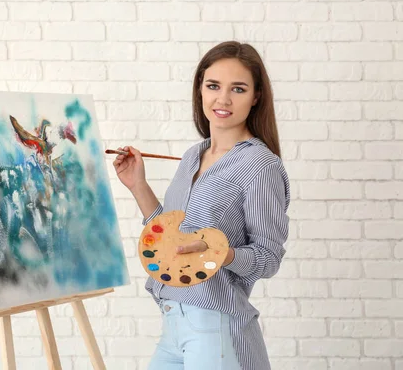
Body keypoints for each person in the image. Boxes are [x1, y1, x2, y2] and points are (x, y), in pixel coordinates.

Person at [113, 41, 291, 370]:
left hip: (214, 325)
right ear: (200, 90)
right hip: (173, 323)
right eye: (213, 86)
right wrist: (138, 185)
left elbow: (268, 258)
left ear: (256, 97)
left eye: (238, 89)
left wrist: (221, 253)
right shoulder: (193, 156)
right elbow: (172, 239)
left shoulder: (259, 166)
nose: (222, 99)